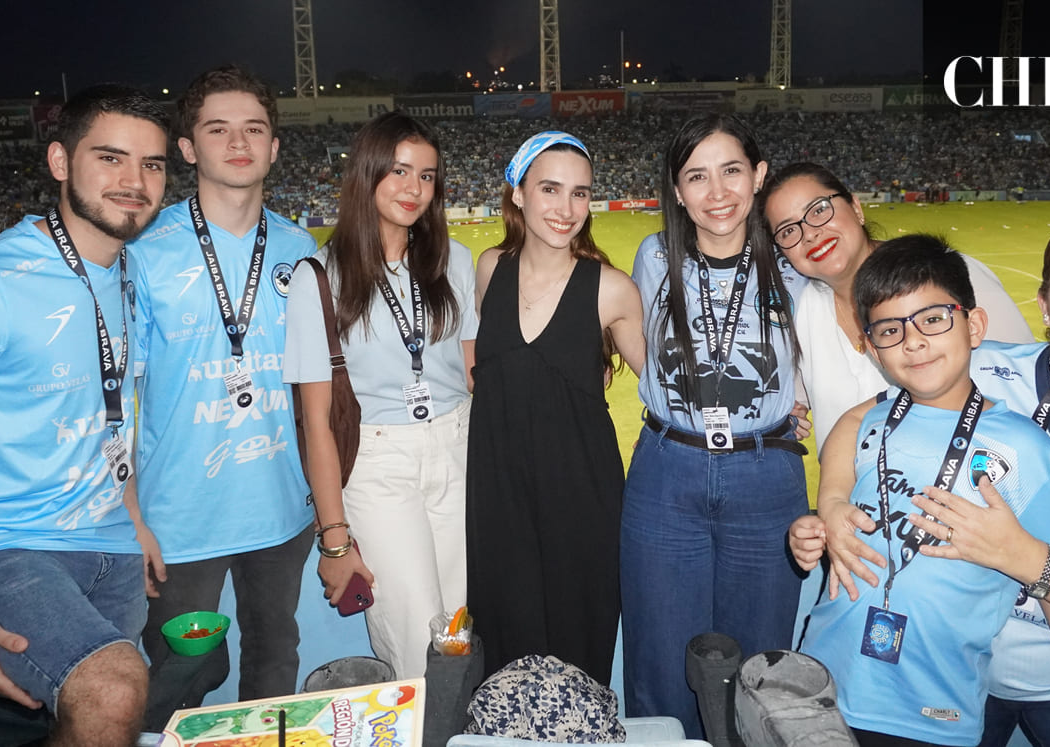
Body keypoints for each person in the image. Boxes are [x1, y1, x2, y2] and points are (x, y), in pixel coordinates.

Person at [797, 217, 1050, 745]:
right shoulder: (966, 361)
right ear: (1045, 305)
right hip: (943, 664)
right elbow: (862, 419)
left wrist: (1020, 555)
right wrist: (831, 502)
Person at [131, 65, 316, 700]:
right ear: (188, 148)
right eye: (218, 129)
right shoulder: (144, 251)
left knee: (273, 667)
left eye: (253, 129)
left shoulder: (300, 247)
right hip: (180, 520)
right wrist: (130, 513)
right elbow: (116, 401)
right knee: (181, 680)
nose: (238, 143)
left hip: (282, 512)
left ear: (273, 146)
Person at [621, 114, 808, 738]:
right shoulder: (653, 257)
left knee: (761, 657)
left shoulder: (791, 264)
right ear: (676, 191)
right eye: (696, 176)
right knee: (659, 649)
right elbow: (637, 343)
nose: (717, 191)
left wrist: (799, 399)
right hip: (666, 471)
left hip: (766, 472)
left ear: (758, 176)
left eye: (732, 170)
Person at [0, 84, 169, 745]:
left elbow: (112, 408)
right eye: (111, 158)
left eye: (152, 164)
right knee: (114, 688)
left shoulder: (131, 274)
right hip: (17, 544)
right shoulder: (9, 279)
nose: (135, 181)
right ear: (60, 162)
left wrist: (131, 514)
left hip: (111, 547)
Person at [285, 112, 476, 678]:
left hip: (457, 445)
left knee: (461, 627)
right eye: (398, 171)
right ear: (366, 174)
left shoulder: (454, 260)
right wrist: (335, 540)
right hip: (379, 460)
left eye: (427, 175)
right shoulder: (318, 277)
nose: (414, 188)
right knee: (417, 638)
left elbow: (472, 374)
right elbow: (316, 423)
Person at [467, 131, 644, 683]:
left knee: (578, 649)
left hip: (581, 498)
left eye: (580, 193)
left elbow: (670, 389)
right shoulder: (489, 268)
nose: (566, 209)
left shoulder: (612, 289)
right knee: (504, 646)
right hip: (499, 495)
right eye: (549, 189)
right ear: (517, 193)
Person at [760, 162, 1034, 455]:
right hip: (850, 497)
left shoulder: (947, 277)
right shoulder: (801, 309)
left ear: (855, 207)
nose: (810, 233)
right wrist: (790, 409)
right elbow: (793, 394)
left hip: (968, 492)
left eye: (818, 210)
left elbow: (1027, 388)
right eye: (788, 230)